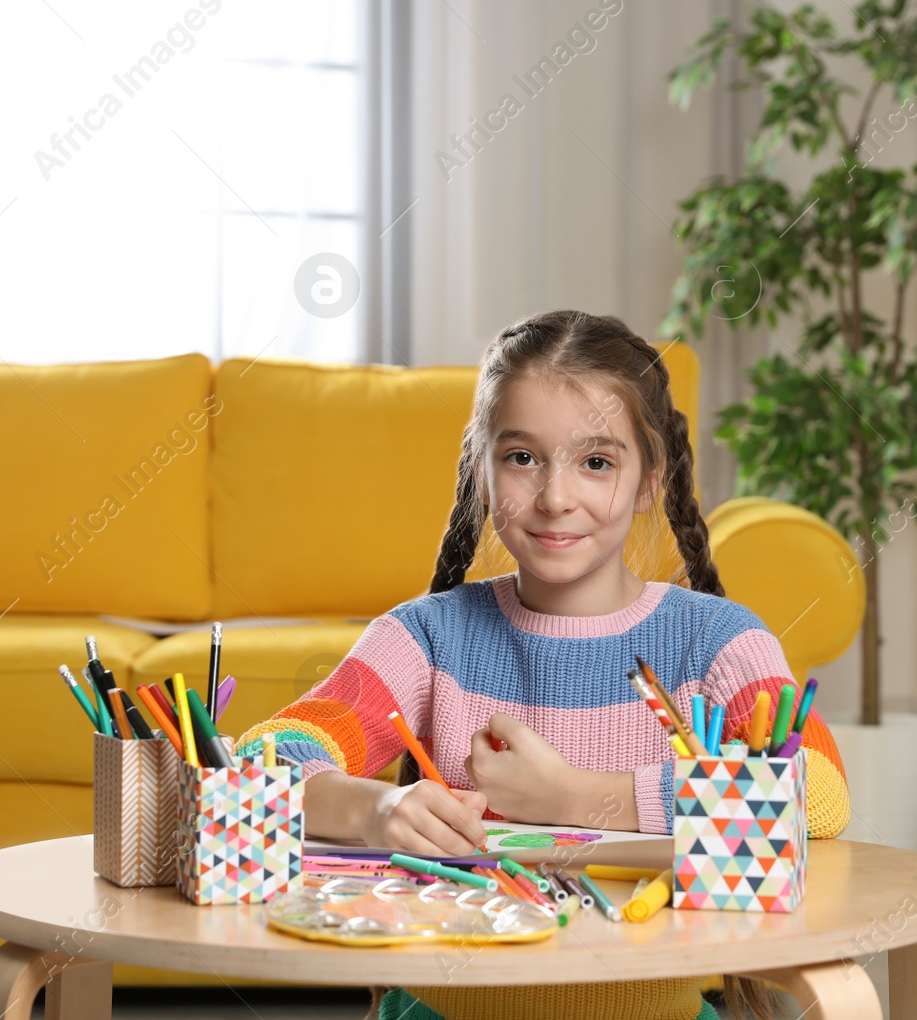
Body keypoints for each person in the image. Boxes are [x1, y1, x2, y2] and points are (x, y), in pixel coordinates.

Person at [238, 310, 851, 1020]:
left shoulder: (716, 641)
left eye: (596, 462)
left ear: (650, 480)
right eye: (522, 457)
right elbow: (262, 757)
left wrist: (574, 798)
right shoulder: (428, 635)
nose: (556, 496)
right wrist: (377, 809)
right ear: (482, 469)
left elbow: (821, 791)